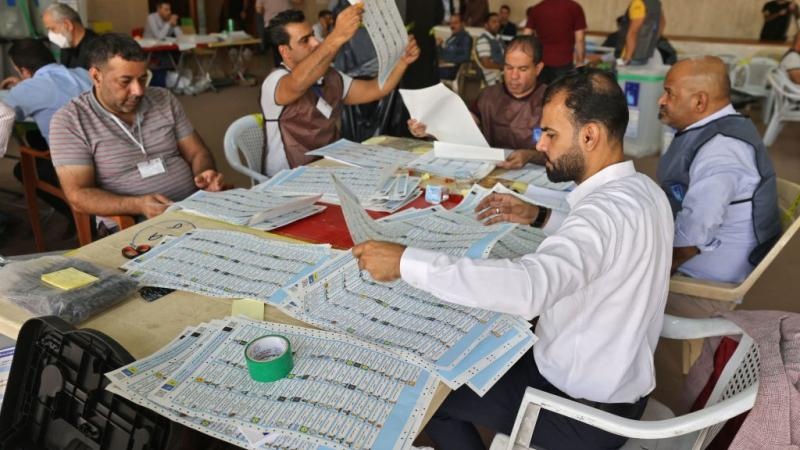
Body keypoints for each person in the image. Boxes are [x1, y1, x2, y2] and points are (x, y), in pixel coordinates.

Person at [353, 68, 673, 450]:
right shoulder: (645, 190)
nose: (541, 144)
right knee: (475, 350)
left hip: (580, 410)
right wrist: (540, 216)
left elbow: (529, 288)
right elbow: (607, 247)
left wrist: (406, 263)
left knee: (431, 396)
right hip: (621, 388)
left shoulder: (599, 216)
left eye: (551, 134)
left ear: (590, 136)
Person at [49, 34, 225, 233]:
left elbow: (197, 152)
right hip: (134, 223)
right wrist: (137, 205)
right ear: (97, 76)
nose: (139, 91)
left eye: (143, 78)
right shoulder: (71, 121)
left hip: (193, 207)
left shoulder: (164, 99)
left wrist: (205, 173)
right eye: (125, 81)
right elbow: (78, 195)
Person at [657, 56, 781, 317]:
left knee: (601, 286)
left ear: (699, 101)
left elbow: (693, 238)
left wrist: (650, 273)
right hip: (699, 262)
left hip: (704, 283)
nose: (662, 100)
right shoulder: (714, 131)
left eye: (669, 93)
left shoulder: (721, 150)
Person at [259, 7, 420, 176]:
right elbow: (297, 83)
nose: (315, 42)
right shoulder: (275, 82)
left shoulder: (330, 76)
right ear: (284, 51)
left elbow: (375, 90)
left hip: (329, 168)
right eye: (305, 40)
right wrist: (337, 36)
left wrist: (402, 62)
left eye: (313, 35)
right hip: (288, 177)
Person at [410, 36, 547, 169]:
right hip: (492, 169)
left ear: (538, 69)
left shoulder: (550, 101)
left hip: (536, 172)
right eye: (509, 68)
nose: (514, 76)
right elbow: (461, 126)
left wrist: (530, 156)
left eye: (523, 69)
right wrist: (429, 129)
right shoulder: (488, 96)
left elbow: (560, 152)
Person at [523, 0, 587, 84]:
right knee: (561, 90)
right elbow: (580, 39)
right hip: (564, 61)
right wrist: (580, 62)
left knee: (542, 90)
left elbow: (526, 36)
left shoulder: (537, 8)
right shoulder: (574, 7)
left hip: (541, 61)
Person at [42, 3, 99, 70]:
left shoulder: (97, 49)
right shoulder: (66, 46)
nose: (50, 35)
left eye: (52, 29)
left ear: (68, 25)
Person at [618, 0, 665, 66]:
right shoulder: (655, 3)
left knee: (613, 69)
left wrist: (626, 58)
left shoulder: (638, 3)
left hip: (630, 55)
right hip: (645, 54)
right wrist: (652, 40)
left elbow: (633, 32)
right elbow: (662, 23)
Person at [255, 0, 302, 64]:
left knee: (278, 52)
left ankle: (282, 67)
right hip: (287, 23)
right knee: (291, 48)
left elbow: (258, 10)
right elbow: (299, 1)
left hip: (274, 24)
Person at [437, 13, 472, 80]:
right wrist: (439, 46)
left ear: (462, 24)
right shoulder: (450, 38)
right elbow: (443, 54)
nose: (452, 26)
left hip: (452, 70)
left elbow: (466, 57)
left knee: (427, 72)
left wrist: (447, 60)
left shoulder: (465, 38)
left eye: (455, 23)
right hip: (443, 67)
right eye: (451, 23)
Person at [475, 12, 505, 86]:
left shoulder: (499, 38)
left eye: (498, 22)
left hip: (503, 73)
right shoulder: (483, 40)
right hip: (494, 75)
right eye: (494, 22)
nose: (497, 24)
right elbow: (486, 63)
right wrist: (504, 67)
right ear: (486, 25)